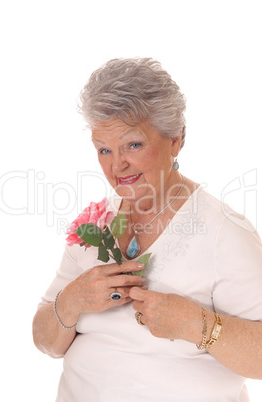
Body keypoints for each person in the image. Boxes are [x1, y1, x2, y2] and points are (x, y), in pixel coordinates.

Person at [32, 58, 262, 402]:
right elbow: (44, 339)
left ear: (174, 141)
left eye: (133, 145)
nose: (116, 165)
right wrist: (72, 301)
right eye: (104, 150)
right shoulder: (94, 224)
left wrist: (199, 326)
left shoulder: (224, 233)